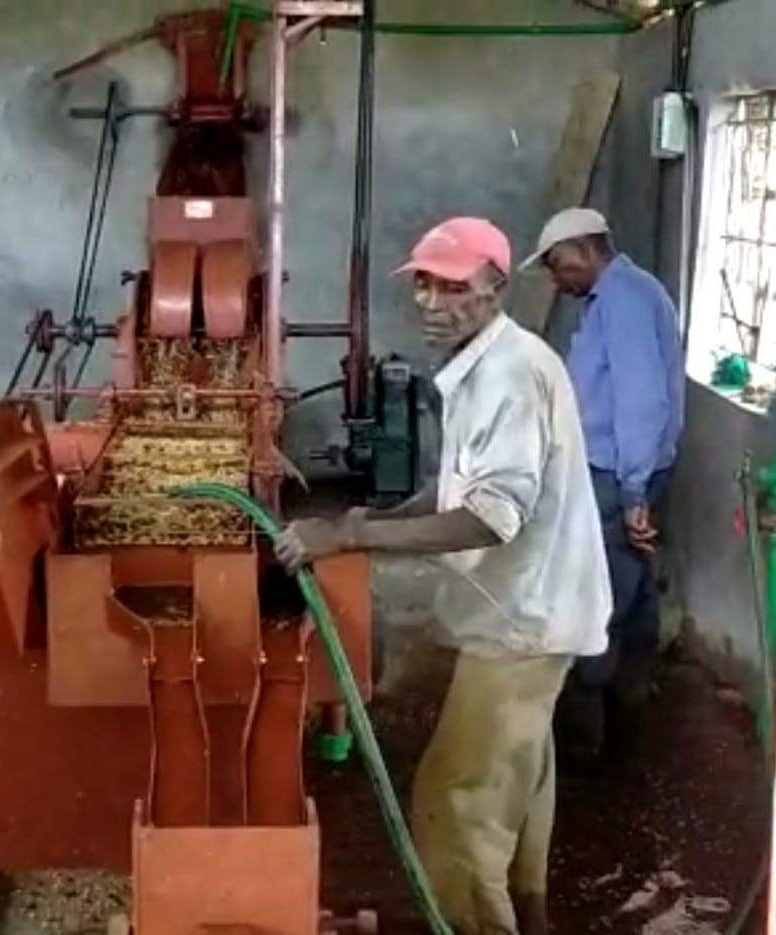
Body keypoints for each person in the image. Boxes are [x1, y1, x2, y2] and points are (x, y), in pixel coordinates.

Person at [274, 217, 611, 935]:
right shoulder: (485, 364)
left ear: (495, 286)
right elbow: (462, 489)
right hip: (532, 610)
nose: (431, 299)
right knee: (516, 774)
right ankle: (529, 911)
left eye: (452, 284)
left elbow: (493, 517)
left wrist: (353, 532)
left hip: (524, 619)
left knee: (456, 799)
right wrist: (387, 514)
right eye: (423, 282)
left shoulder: (509, 376)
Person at [521, 207, 684, 759]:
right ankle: (631, 715)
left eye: (558, 265)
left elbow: (642, 402)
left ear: (587, 250)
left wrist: (634, 492)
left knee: (596, 599)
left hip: (617, 474)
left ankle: (584, 742)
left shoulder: (623, 302)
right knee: (633, 591)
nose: (556, 278)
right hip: (624, 471)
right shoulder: (627, 295)